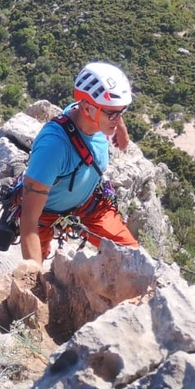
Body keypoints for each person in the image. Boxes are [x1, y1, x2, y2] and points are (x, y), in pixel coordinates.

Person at [18, 61, 140, 261]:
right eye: (112, 113)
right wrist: (33, 278)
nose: (118, 119)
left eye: (122, 112)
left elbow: (112, 112)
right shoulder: (53, 147)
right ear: (87, 108)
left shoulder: (94, 116)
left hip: (90, 205)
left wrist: (122, 131)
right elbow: (29, 220)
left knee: (132, 258)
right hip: (45, 214)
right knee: (37, 263)